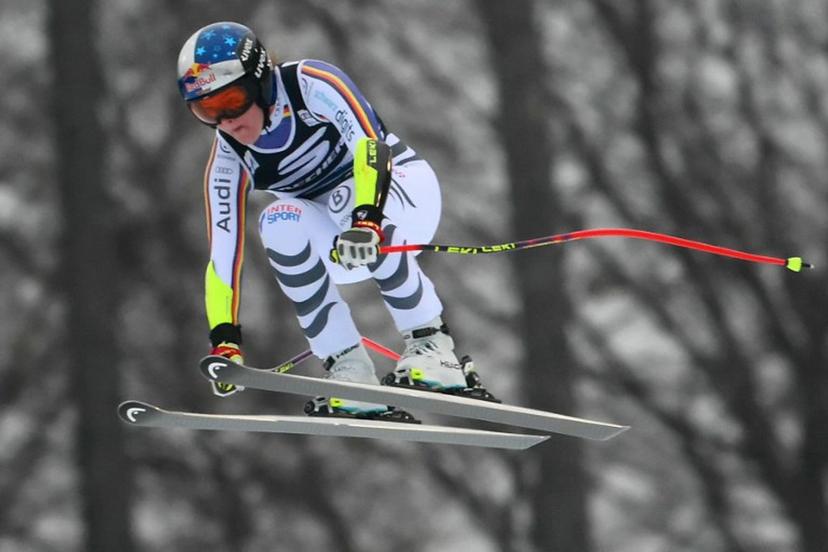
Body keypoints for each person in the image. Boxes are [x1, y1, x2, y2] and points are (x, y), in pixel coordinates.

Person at [177, 21, 477, 420]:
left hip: (401, 197)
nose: (227, 121)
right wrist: (225, 338)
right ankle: (350, 371)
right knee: (276, 221)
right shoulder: (228, 157)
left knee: (344, 196)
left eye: (231, 100)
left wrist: (366, 220)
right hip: (343, 243)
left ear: (260, 81)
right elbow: (223, 255)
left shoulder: (311, 84)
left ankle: (433, 346)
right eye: (207, 111)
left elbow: (371, 146)